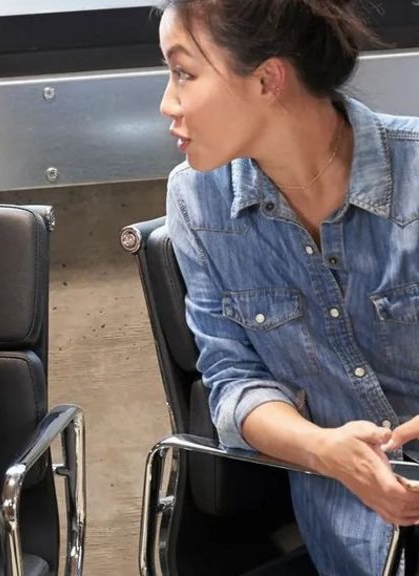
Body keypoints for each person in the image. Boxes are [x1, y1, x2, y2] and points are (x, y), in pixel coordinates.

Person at [158, 0, 419, 573]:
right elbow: (233, 380)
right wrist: (322, 449)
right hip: (354, 539)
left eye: (184, 73)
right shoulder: (197, 202)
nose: (167, 103)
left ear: (268, 79)